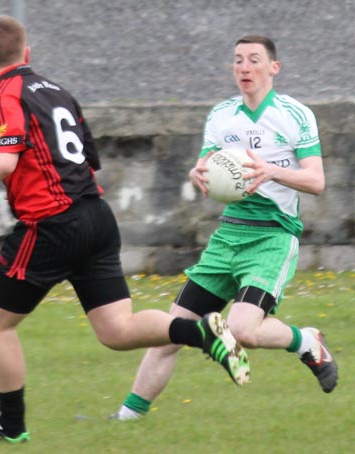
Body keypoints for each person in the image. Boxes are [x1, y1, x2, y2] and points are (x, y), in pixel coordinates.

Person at [0, 16, 250, 444]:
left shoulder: (1, 94)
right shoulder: (58, 92)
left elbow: (3, 160)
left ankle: (9, 426)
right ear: (27, 54)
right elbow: (86, 159)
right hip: (96, 215)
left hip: (52, 224)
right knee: (117, 330)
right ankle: (200, 332)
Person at [112, 34, 338, 421]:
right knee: (172, 330)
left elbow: (315, 181)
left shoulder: (296, 114)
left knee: (243, 330)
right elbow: (208, 168)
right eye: (237, 61)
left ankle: (305, 340)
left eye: (253, 60)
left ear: (273, 67)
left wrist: (270, 172)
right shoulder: (221, 115)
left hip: (272, 236)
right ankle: (126, 419)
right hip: (228, 235)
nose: (244, 68)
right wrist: (199, 174)